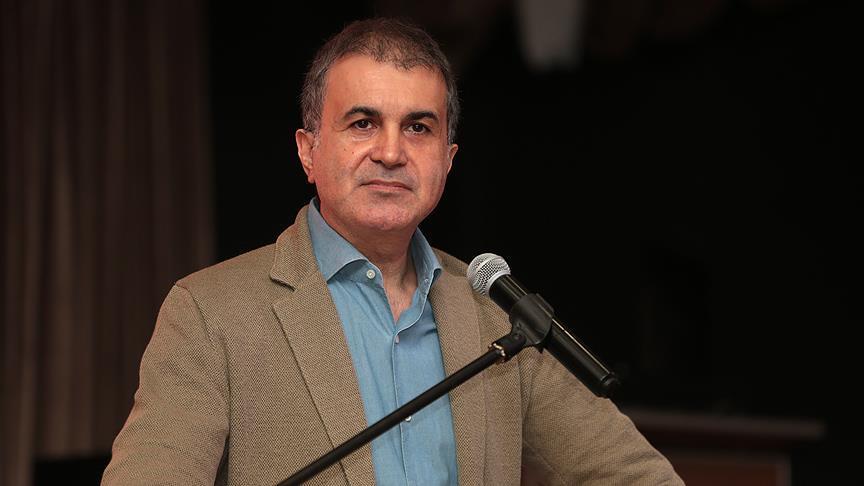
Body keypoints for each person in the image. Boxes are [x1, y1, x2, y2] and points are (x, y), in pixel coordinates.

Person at [102, 18, 683, 486]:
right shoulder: (209, 313)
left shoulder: (498, 315)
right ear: (308, 151)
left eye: (418, 128)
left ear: (447, 161)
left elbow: (637, 476)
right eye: (363, 123)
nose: (390, 152)